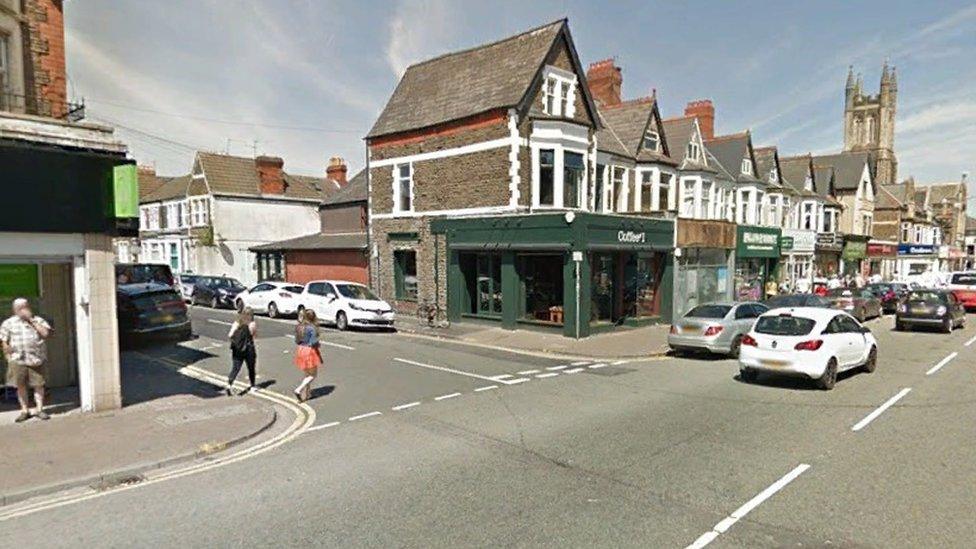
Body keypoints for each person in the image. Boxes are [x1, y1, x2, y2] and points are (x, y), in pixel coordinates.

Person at [0, 298, 53, 422]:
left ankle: (39, 409)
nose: (22, 310)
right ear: (14, 310)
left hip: (35, 358)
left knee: (38, 385)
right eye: (19, 308)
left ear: (29, 307)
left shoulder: (38, 320)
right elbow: (3, 340)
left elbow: (45, 334)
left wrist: (31, 320)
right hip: (17, 359)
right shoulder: (8, 323)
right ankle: (25, 410)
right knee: (21, 386)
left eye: (24, 307)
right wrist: (8, 356)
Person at [226, 307, 258, 396]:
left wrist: (237, 341)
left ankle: (229, 385)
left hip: (237, 349)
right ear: (252, 315)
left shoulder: (237, 323)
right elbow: (254, 335)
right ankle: (252, 386)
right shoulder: (252, 324)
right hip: (249, 349)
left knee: (235, 368)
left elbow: (230, 335)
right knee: (251, 368)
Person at [293, 309, 322, 402]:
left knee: (307, 373)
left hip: (301, 349)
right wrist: (318, 344)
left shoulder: (300, 327)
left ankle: (307, 394)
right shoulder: (311, 328)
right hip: (309, 351)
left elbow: (297, 340)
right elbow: (313, 342)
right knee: (313, 375)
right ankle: (299, 389)